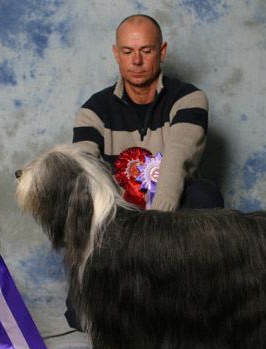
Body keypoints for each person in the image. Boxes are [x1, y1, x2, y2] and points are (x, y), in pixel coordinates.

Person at [66, 14, 224, 331]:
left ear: (161, 52)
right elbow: (84, 176)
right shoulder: (93, 109)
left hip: (171, 223)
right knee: (79, 317)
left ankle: (196, 302)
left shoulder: (190, 99)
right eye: (127, 51)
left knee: (204, 193)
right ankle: (139, 306)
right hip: (117, 228)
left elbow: (177, 159)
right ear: (116, 54)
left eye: (146, 51)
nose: (136, 61)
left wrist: (153, 234)